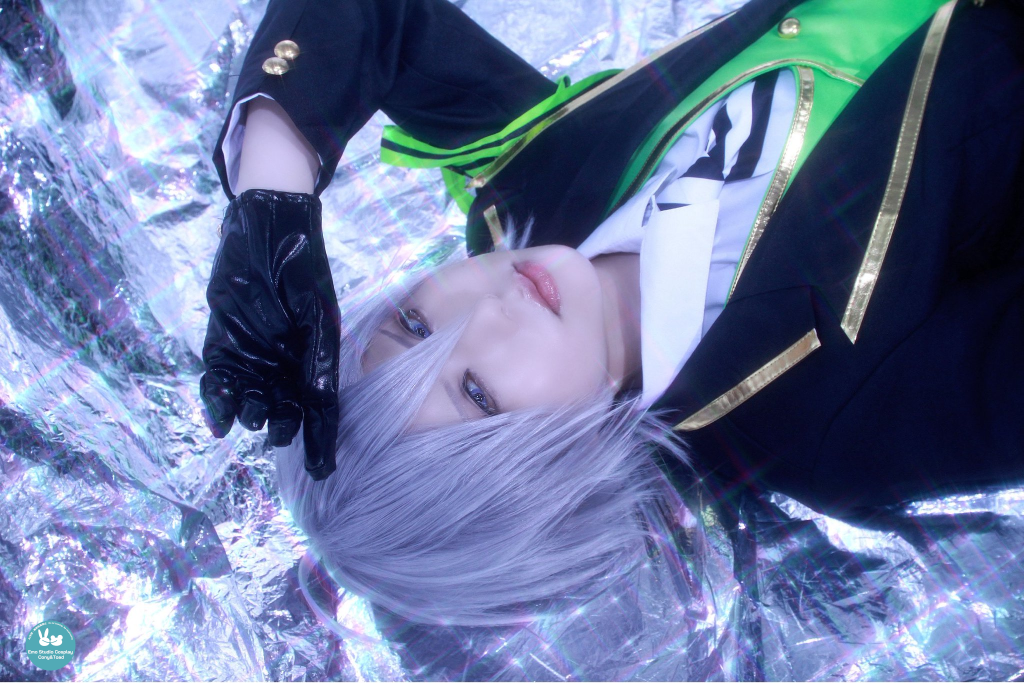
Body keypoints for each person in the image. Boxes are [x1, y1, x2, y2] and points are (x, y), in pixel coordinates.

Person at [200, 0, 1024, 624]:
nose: (486, 309)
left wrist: (269, 197)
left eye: (414, 324)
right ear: (549, 482)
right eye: (478, 393)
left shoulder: (529, 189)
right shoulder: (833, 432)